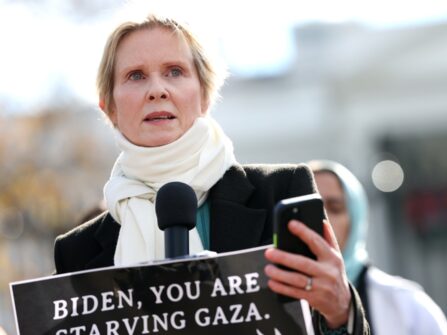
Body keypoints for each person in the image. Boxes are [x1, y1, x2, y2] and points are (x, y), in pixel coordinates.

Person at [53, 15, 369, 334]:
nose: (157, 90)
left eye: (174, 71)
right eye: (135, 76)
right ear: (109, 107)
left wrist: (340, 312)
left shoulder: (281, 193)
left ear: (204, 93)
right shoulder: (77, 251)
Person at [308, 160, 447, 335]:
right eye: (311, 209)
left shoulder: (405, 305)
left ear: (356, 217)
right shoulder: (271, 306)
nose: (323, 219)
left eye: (335, 208)